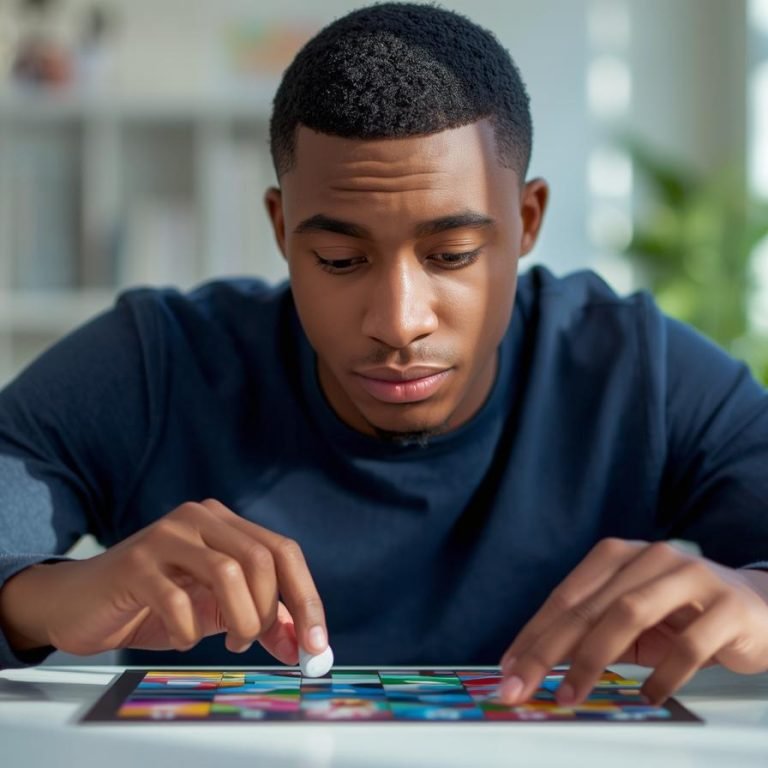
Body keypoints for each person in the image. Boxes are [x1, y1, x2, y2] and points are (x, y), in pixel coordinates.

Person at [0, 2, 767, 708]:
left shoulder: (632, 371)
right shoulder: (156, 366)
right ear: (281, 229)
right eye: (339, 259)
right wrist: (43, 600)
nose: (399, 323)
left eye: (454, 254)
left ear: (527, 221)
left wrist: (758, 607)